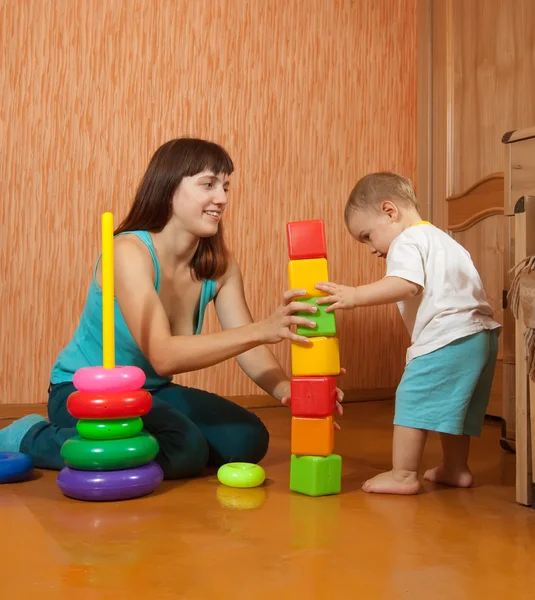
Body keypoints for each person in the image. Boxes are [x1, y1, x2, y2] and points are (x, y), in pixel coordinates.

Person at [0, 137, 343, 479]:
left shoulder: (218, 265)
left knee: (247, 439)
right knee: (184, 448)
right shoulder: (128, 252)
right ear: (168, 188)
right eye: (208, 184)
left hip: (150, 390)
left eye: (225, 186)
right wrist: (263, 330)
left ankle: (148, 444)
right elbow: (163, 355)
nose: (221, 199)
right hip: (83, 392)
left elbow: (248, 350)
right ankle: (31, 435)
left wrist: (288, 390)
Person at [315, 172, 501, 495]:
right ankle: (456, 468)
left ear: (390, 212)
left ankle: (403, 475)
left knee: (410, 397)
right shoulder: (446, 241)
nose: (371, 249)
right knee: (454, 406)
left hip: (446, 338)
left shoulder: (407, 241)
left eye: (367, 236)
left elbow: (406, 284)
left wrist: (355, 296)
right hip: (482, 337)